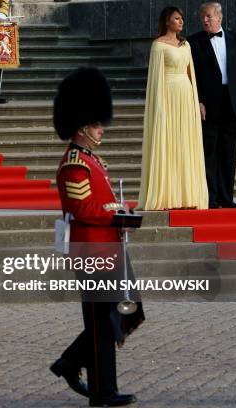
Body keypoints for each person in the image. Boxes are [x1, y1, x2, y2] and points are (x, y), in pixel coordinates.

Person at [51, 67, 145, 407]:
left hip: (106, 247)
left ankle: (82, 372)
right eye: (95, 124)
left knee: (108, 319)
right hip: (91, 250)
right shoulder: (75, 164)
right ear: (81, 127)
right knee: (101, 321)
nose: (101, 129)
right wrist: (116, 211)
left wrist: (121, 208)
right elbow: (86, 208)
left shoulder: (92, 160)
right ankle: (101, 390)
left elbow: (100, 202)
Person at [138, 6, 208, 210]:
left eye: (182, 19)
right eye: (177, 18)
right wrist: (158, 107)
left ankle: (188, 195)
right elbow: (155, 80)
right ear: (167, 21)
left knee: (185, 142)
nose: (181, 22)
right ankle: (167, 194)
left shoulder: (185, 45)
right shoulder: (158, 45)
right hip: (167, 96)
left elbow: (190, 74)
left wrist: (196, 101)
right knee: (169, 142)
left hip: (185, 95)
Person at [188, 2, 236, 208]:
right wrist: (198, 100)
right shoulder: (194, 42)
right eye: (203, 17)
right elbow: (191, 76)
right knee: (209, 152)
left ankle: (226, 198)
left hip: (232, 102)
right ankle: (210, 198)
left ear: (220, 17)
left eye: (209, 16)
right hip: (208, 104)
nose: (205, 20)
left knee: (228, 152)